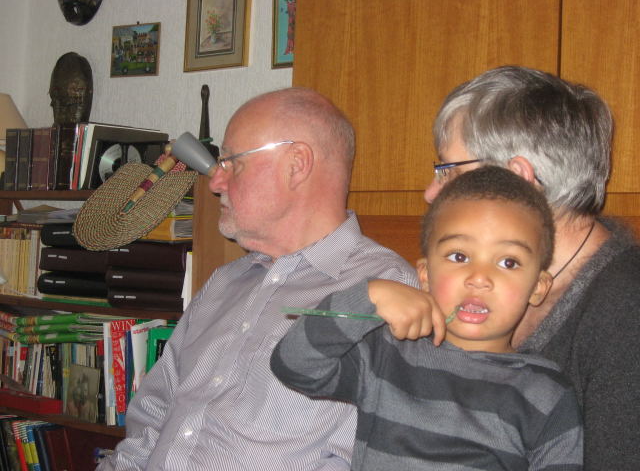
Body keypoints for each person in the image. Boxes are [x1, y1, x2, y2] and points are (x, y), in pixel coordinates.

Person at [97, 87, 419, 470]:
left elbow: (364, 458)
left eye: (233, 162)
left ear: (297, 164)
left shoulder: (389, 293)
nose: (216, 182)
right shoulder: (224, 282)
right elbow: (152, 417)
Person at [388, 65, 639, 470]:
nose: (431, 193)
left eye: (449, 171)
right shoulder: (470, 279)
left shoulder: (627, 311)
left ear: (518, 180)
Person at [271, 166, 583, 470]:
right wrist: (368, 296)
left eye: (508, 262)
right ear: (425, 275)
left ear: (538, 287)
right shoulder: (386, 352)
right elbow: (294, 365)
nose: (479, 278)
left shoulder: (547, 394)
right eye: (459, 256)